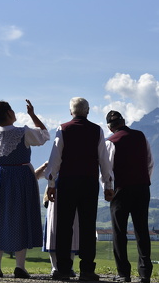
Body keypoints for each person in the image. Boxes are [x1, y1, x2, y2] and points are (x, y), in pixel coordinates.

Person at [44, 97, 113, 281]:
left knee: (64, 225)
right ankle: (87, 270)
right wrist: (108, 185)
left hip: (67, 182)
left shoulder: (63, 129)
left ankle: (64, 269)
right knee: (88, 226)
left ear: (70, 111)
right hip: (89, 183)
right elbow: (104, 160)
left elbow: (55, 158)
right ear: (87, 111)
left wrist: (51, 185)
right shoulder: (96, 130)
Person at [0, 99, 49, 279]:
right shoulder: (23, 132)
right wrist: (32, 115)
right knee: (21, 216)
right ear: (10, 113)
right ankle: (20, 266)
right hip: (20, 177)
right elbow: (44, 135)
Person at [104, 111, 154, 283]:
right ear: (123, 121)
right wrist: (144, 179)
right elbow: (150, 161)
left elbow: (107, 169)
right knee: (142, 229)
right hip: (142, 188)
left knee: (119, 231)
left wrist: (107, 189)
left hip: (121, 189)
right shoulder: (140, 136)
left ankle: (124, 273)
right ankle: (145, 273)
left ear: (110, 127)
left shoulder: (111, 142)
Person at [38, 163, 79, 278]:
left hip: (71, 194)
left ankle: (68, 267)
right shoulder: (54, 162)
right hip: (55, 197)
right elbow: (36, 175)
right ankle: (55, 267)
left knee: (72, 230)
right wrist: (45, 165)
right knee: (53, 230)